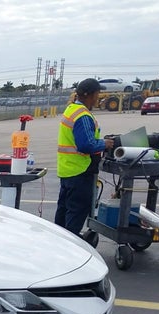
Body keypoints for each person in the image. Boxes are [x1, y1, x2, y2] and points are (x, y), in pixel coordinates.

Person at [55, 78, 115, 235]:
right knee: (75, 216)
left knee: (63, 214)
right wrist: (105, 144)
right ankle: (70, 249)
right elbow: (86, 145)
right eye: (97, 93)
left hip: (67, 170)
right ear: (90, 95)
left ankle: (58, 245)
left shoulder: (71, 109)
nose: (98, 97)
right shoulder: (83, 116)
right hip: (80, 172)